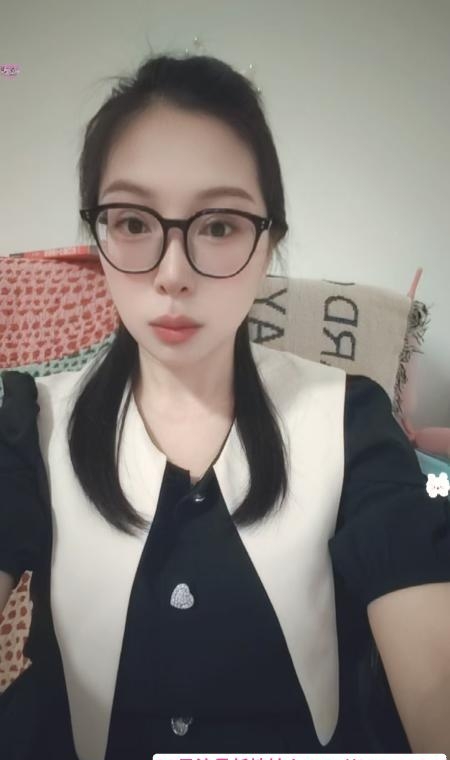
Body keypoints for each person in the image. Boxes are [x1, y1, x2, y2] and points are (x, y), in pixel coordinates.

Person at [1, 52, 450, 760]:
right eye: (133, 222)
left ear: (269, 243)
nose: (172, 274)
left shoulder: (350, 419)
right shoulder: (27, 422)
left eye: (218, 226)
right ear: (99, 236)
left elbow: (435, 682)